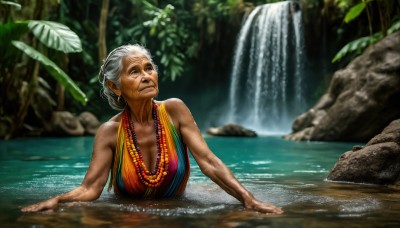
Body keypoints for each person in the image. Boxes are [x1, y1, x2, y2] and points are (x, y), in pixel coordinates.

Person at [21, 44, 283, 214]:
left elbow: (209, 162)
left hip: (177, 211)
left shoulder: (174, 110)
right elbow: (90, 189)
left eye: (149, 68)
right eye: (134, 71)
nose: (146, 76)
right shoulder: (109, 132)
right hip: (128, 216)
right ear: (115, 86)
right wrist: (57, 200)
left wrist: (248, 199)